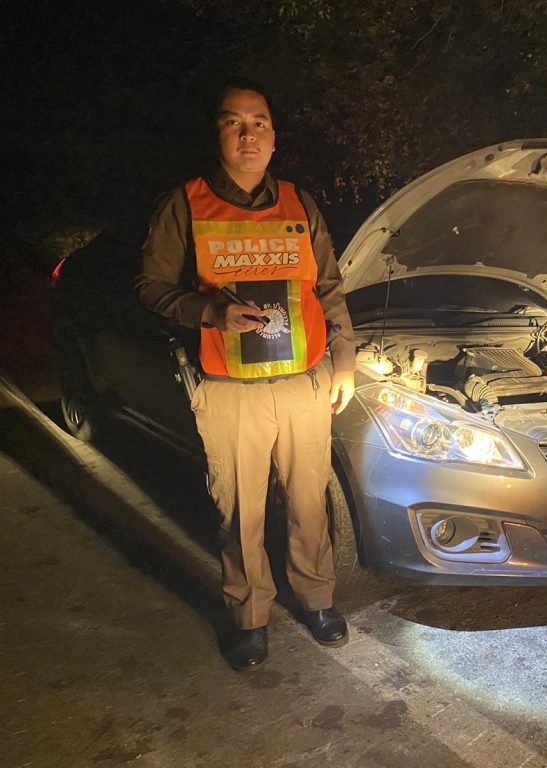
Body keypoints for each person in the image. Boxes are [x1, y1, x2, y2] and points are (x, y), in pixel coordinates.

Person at [137, 78, 356, 670]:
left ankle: (317, 600)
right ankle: (249, 617)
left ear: (274, 137)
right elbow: (151, 286)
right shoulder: (186, 203)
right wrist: (208, 312)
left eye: (258, 122)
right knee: (239, 511)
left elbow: (329, 286)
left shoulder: (299, 202)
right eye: (233, 122)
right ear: (218, 134)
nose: (247, 134)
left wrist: (345, 360)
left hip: (303, 381)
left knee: (309, 501)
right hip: (230, 387)